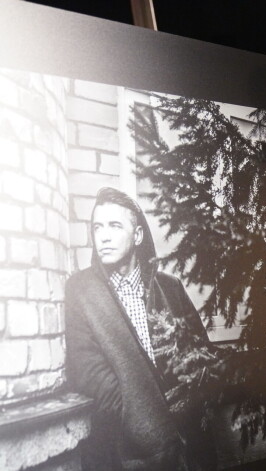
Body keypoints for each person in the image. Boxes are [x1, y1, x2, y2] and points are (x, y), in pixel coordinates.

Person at [65, 187, 219, 471]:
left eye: (114, 226)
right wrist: (151, 426)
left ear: (137, 236)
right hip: (123, 453)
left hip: (189, 446)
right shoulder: (81, 291)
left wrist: (187, 409)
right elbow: (90, 376)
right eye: (97, 227)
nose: (104, 236)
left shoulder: (170, 288)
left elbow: (201, 356)